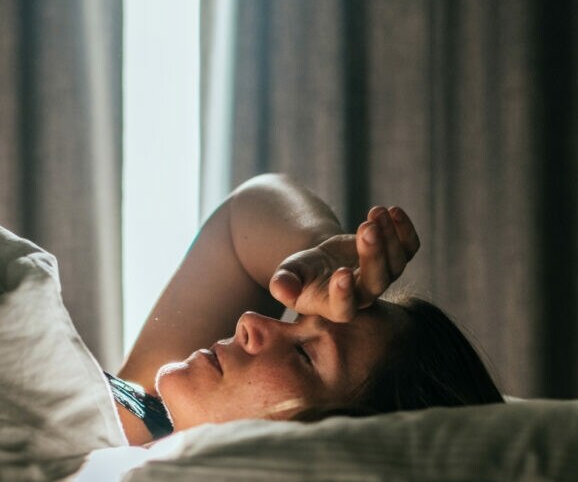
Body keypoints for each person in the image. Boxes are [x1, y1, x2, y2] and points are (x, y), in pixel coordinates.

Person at [109, 174, 503, 446]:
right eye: (296, 318)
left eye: (304, 354)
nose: (249, 321)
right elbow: (247, 207)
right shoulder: (145, 412)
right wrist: (318, 255)